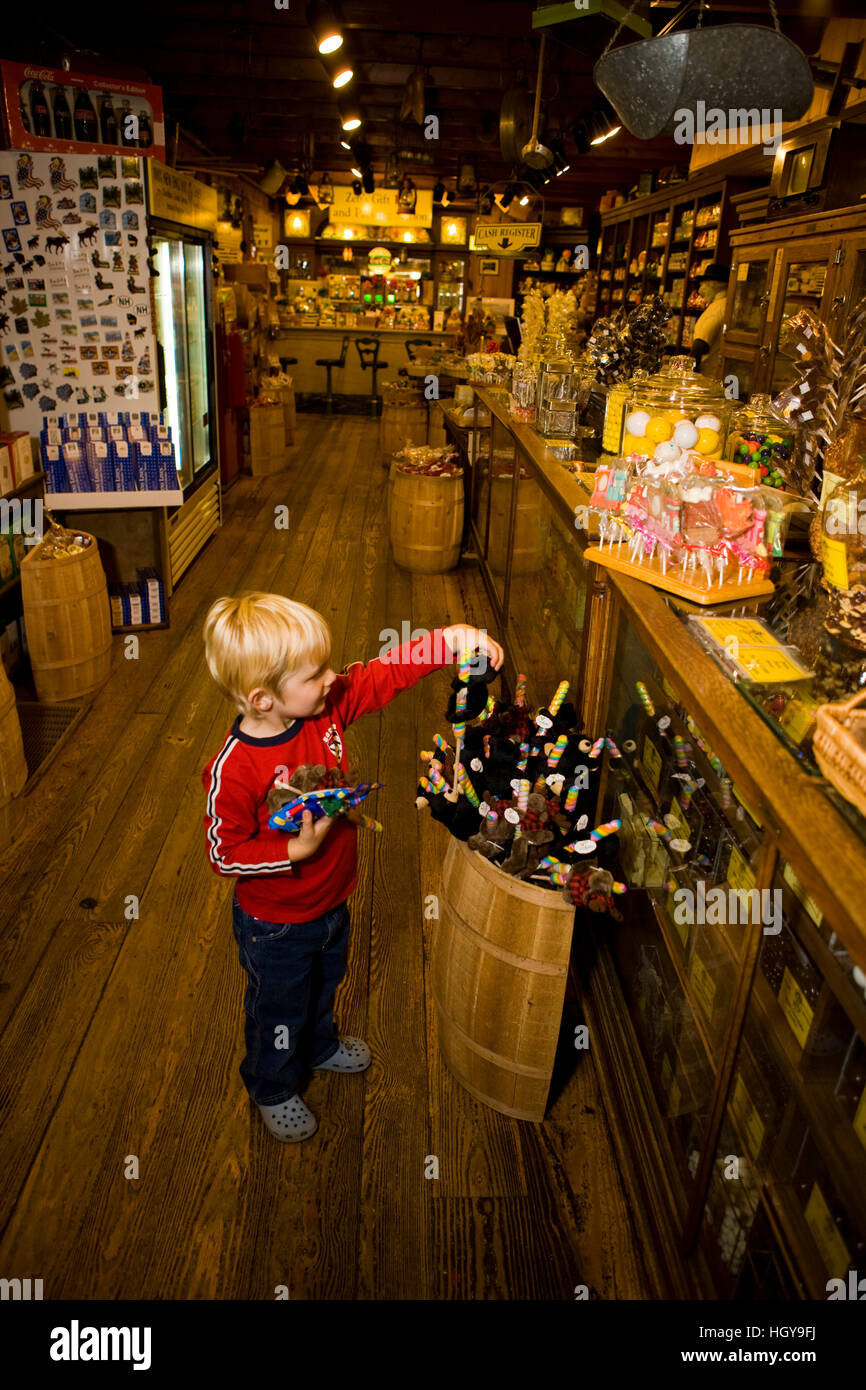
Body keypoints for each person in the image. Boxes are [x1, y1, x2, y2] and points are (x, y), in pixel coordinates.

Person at [201, 593, 504, 1143]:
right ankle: (272, 1084)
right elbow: (223, 850)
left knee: (325, 982)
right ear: (263, 698)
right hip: (275, 923)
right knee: (278, 1008)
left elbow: (383, 673)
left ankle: (318, 1045)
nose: (331, 678)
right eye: (315, 673)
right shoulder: (236, 768)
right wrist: (291, 854)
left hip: (333, 897)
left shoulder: (325, 706)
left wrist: (450, 640)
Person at [692, 264, 731, 380]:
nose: (700, 291)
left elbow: (700, 344)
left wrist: (688, 372)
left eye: (702, 285)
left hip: (707, 376)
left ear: (714, 285)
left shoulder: (716, 308)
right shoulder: (728, 305)